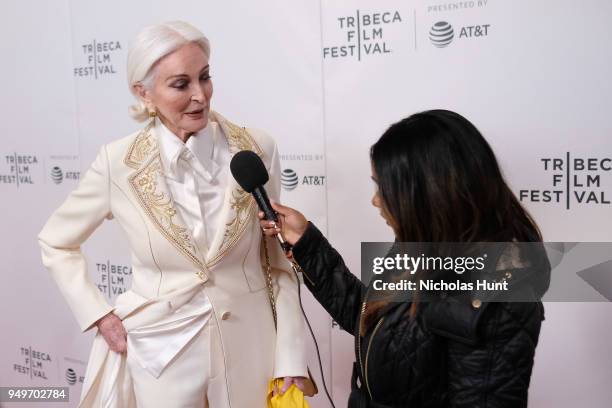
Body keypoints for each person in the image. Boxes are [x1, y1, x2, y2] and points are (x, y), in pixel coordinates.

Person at [38, 21, 308, 408]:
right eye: (181, 85)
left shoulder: (257, 149)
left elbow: (280, 263)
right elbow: (56, 241)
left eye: (205, 77)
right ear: (143, 93)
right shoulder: (118, 164)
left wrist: (290, 358)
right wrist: (99, 314)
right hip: (160, 354)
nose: (200, 96)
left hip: (252, 349)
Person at [261, 109, 551, 407]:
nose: (376, 200)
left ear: (429, 194)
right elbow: (370, 319)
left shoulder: (499, 301)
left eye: (384, 188)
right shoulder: (423, 245)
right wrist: (307, 242)